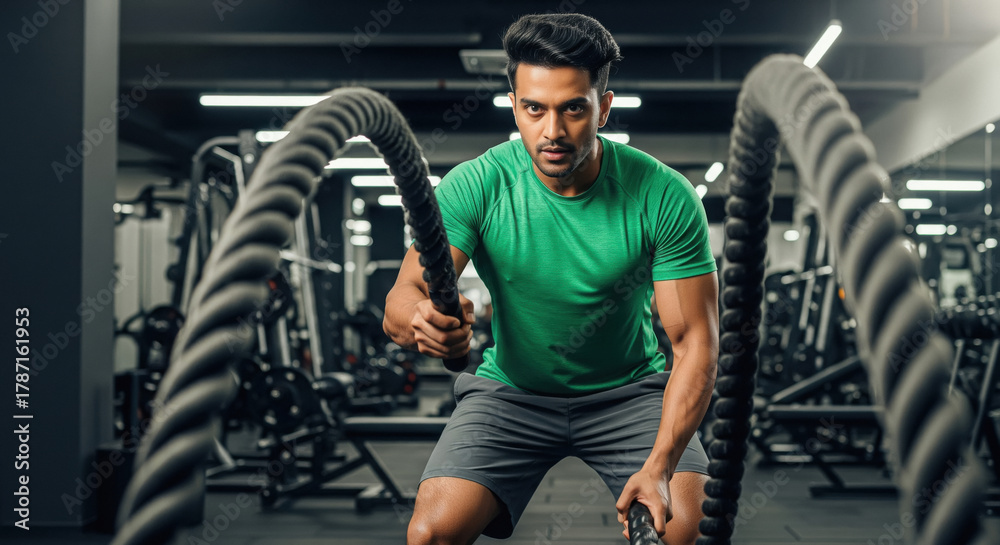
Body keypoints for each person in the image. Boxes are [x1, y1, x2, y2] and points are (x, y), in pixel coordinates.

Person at [383, 13, 719, 545]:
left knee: (689, 532)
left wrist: (658, 465)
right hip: (511, 393)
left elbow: (694, 342)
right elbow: (405, 296)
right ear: (514, 105)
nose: (553, 131)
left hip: (629, 394)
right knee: (431, 534)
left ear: (603, 108)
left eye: (574, 109)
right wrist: (420, 320)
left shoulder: (662, 194)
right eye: (534, 109)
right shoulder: (477, 185)